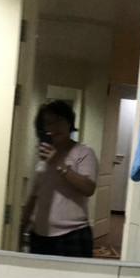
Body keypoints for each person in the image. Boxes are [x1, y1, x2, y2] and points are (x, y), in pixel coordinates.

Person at [20, 101, 99, 257]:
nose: (55, 127)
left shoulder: (84, 152)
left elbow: (88, 188)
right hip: (39, 236)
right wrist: (22, 227)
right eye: (48, 123)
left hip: (73, 235)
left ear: (69, 122)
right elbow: (35, 196)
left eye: (59, 120)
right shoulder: (43, 157)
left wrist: (57, 161)